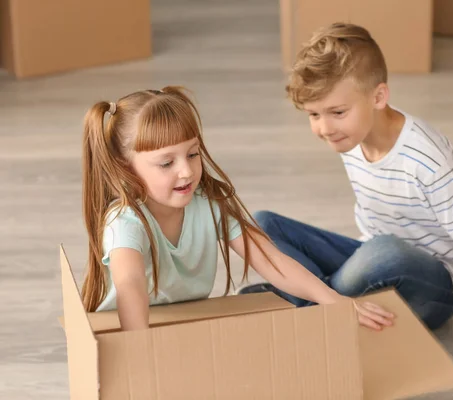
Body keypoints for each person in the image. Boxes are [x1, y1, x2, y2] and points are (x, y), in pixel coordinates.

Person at [238, 23, 453, 381]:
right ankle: (322, 302)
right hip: (370, 260)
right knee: (262, 223)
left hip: (433, 286)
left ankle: (302, 301)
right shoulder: (352, 131)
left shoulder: (427, 159)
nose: (324, 128)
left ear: (378, 97)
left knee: (385, 252)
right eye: (314, 115)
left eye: (336, 112)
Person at [79, 86, 394, 332]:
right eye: (166, 163)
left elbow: (271, 260)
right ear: (125, 167)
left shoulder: (208, 204)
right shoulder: (125, 221)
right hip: (127, 330)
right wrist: (140, 350)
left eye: (192, 154)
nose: (186, 171)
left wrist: (336, 302)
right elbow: (130, 285)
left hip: (182, 324)